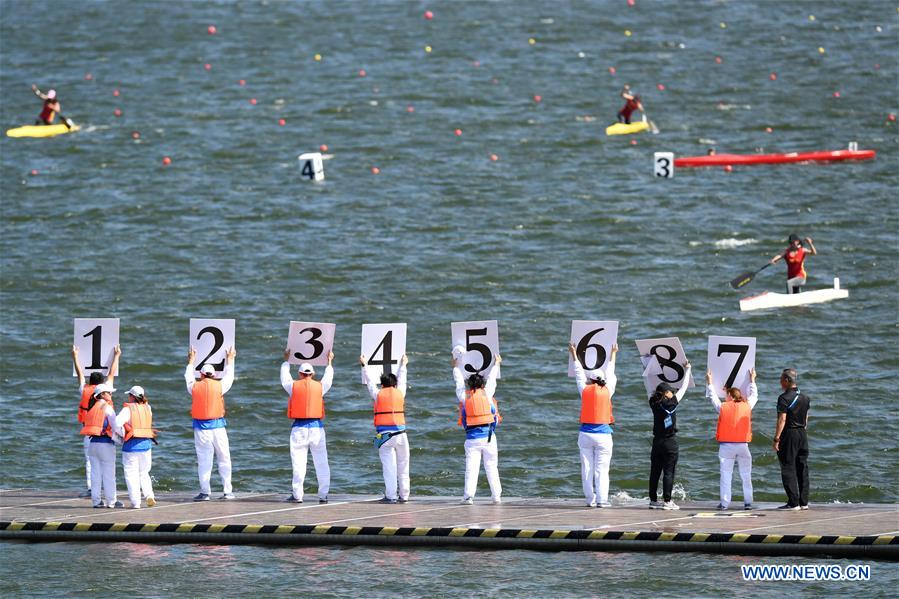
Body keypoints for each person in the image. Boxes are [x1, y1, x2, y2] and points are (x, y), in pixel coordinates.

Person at [280, 349, 334, 504]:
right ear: (313, 374)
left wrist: (286, 361)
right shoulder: (320, 387)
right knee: (322, 463)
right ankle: (323, 495)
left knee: (298, 464)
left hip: (299, 429)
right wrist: (329, 362)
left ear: (300, 374)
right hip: (317, 429)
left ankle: (297, 495)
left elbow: (284, 378)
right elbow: (328, 379)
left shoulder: (293, 386)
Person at [570, 343, 619, 507]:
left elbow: (578, 373)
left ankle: (589, 499)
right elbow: (611, 372)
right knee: (602, 470)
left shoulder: (584, 390)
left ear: (590, 380)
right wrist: (613, 353)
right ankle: (602, 500)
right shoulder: (609, 390)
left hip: (585, 435)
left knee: (587, 469)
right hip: (603, 436)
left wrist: (574, 354)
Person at [185, 346, 236, 501]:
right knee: (224, 459)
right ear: (214, 375)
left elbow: (188, 376)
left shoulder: (194, 387)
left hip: (201, 430)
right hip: (218, 428)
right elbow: (229, 376)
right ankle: (228, 492)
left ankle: (205, 492)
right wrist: (230, 360)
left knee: (204, 461)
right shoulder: (220, 386)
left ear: (201, 375)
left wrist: (191, 361)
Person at [453, 350, 503, 505]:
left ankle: (468, 497)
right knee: (491, 467)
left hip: (472, 439)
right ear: (482, 385)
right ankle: (496, 496)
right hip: (489, 438)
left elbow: (458, 382)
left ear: (469, 385)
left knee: (471, 469)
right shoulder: (487, 394)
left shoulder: (464, 397)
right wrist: (496, 364)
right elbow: (492, 379)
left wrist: (456, 367)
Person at [72, 344, 120, 498]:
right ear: (102, 384)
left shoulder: (84, 390)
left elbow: (80, 374)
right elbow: (111, 373)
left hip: (90, 432)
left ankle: (92, 489)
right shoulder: (106, 389)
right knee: (108, 464)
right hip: (106, 434)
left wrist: (75, 356)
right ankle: (109, 491)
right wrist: (117, 355)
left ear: (90, 381)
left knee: (90, 462)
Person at [361, 353, 410, 504]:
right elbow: (403, 379)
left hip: (384, 435)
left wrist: (364, 365)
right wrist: (403, 364)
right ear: (395, 384)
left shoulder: (377, 394)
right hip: (401, 435)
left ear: (382, 385)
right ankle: (404, 495)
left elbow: (370, 382)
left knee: (389, 467)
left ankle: (391, 496)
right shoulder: (400, 392)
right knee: (403, 466)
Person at [707, 369, 758, 510]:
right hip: (743, 446)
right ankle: (748, 503)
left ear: (730, 396)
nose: (725, 397)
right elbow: (754, 395)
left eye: (726, 395)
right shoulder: (747, 406)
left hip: (726, 447)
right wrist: (752, 380)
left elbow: (713, 397)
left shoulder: (723, 407)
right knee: (746, 475)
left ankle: (724, 504)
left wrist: (710, 382)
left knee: (726, 475)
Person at [647, 361, 692, 510]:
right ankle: (667, 502)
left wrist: (647, 367)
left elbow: (648, 385)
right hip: (670, 443)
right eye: (671, 391)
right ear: (666, 393)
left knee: (655, 472)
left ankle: (653, 500)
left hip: (657, 442)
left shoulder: (653, 403)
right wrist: (688, 370)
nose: (673, 392)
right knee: (669, 472)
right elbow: (684, 387)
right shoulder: (672, 403)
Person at [79, 383, 124, 508]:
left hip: (93, 444)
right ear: (102, 394)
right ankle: (111, 501)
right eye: (109, 392)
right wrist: (124, 437)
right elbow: (116, 427)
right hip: (105, 444)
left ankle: (96, 501)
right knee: (109, 474)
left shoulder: (92, 408)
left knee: (95, 474)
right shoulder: (107, 408)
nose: (111, 394)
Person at [773, 368, 811, 511]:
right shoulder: (805, 397)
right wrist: (802, 431)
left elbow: (782, 419)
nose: (780, 382)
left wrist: (777, 438)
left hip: (789, 433)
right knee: (802, 467)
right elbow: (806, 418)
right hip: (802, 433)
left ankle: (793, 503)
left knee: (788, 467)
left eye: (781, 379)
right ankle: (804, 502)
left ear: (787, 380)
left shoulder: (783, 398)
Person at [115, 386, 157, 509]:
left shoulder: (127, 409)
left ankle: (136, 502)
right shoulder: (148, 408)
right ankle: (149, 495)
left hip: (131, 446)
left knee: (131, 475)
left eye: (129, 395)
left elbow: (116, 423)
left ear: (132, 397)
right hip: (146, 445)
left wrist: (123, 433)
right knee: (144, 473)